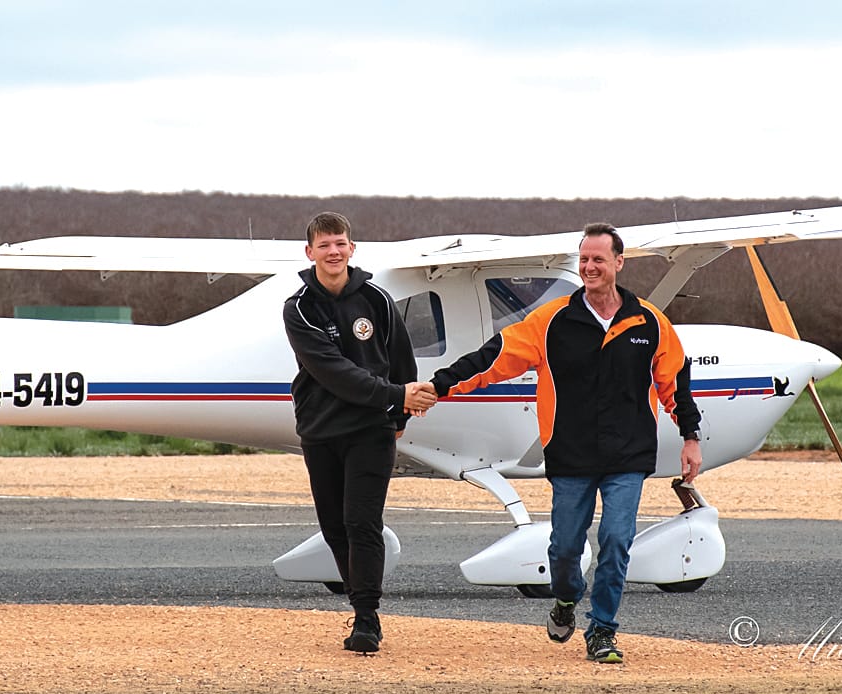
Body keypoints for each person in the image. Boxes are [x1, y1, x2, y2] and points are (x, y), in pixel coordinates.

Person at [428, 222, 702, 664]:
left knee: (616, 541)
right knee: (565, 550)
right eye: (584, 259)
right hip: (571, 456)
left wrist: (690, 437)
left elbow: (676, 383)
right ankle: (566, 599)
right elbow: (492, 359)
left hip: (627, 456)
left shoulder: (649, 321)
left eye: (598, 259)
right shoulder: (550, 320)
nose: (590, 267)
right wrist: (438, 387)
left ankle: (603, 631)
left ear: (619, 262)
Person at [282, 211, 437, 654]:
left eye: (340, 243)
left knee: (361, 521)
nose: (334, 252)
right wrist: (396, 396)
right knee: (334, 527)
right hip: (320, 428)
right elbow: (333, 372)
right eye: (325, 245)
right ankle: (358, 601)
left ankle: (367, 617)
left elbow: (401, 358)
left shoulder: (377, 299)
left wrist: (398, 417)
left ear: (352, 248)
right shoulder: (299, 308)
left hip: (371, 429)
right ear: (309, 252)